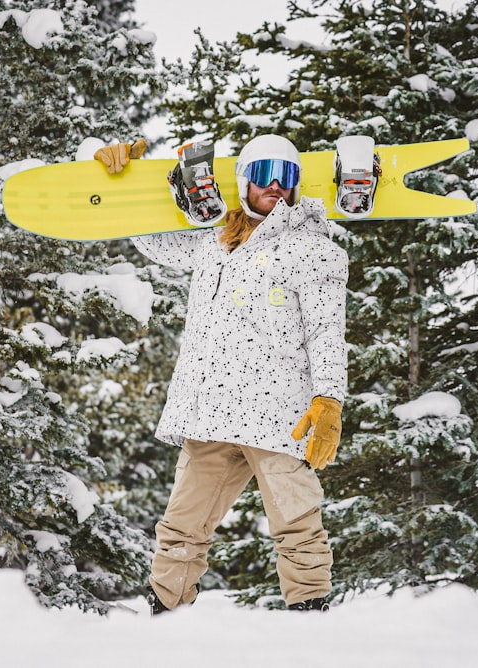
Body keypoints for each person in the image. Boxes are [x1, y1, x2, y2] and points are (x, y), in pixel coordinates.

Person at [95, 134, 348, 613]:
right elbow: (152, 240)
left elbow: (326, 332)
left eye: (287, 176)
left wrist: (329, 398)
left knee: (297, 525)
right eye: (264, 174)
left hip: (278, 414)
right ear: (243, 181)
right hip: (209, 411)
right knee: (181, 529)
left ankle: (311, 620)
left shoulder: (313, 250)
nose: (275, 185)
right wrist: (125, 176)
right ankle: (166, 617)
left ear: (297, 186)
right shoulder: (213, 242)